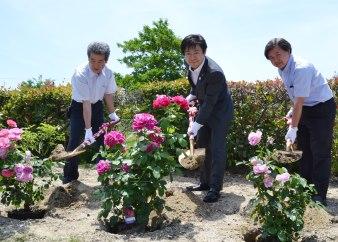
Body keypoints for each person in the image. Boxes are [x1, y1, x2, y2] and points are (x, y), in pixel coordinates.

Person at [264, 38, 336, 205]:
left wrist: (293, 128)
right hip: (305, 108)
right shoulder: (282, 70)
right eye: (271, 58)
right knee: (305, 151)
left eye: (278, 54)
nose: (276, 60)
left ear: (288, 51)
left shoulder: (301, 68)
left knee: (320, 151)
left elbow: (299, 101)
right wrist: (292, 113)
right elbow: (295, 97)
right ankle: (306, 188)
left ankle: (319, 195)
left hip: (321, 108)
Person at [181, 34, 234, 203]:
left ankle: (215, 188)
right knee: (203, 147)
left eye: (196, 52)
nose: (192, 57)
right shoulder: (189, 64)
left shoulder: (214, 72)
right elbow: (196, 86)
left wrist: (196, 124)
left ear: (204, 51)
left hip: (220, 113)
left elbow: (211, 103)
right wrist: (190, 97)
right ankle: (205, 183)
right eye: (188, 53)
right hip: (205, 109)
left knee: (217, 148)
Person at [63, 41, 120, 184]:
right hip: (79, 106)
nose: (96, 65)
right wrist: (88, 130)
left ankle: (104, 176)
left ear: (106, 60)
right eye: (92, 60)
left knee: (101, 140)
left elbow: (107, 94)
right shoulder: (80, 73)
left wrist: (112, 114)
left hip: (97, 106)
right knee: (75, 139)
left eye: (100, 61)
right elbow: (86, 103)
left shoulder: (108, 73)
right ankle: (70, 176)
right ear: (88, 58)